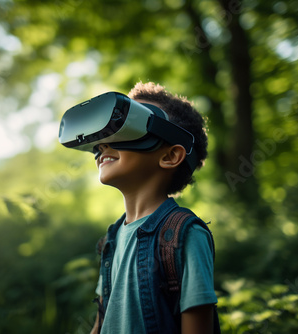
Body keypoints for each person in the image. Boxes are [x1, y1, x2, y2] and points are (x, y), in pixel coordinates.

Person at [88, 82, 218, 334]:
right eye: (104, 135)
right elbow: (100, 324)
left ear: (170, 156)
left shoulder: (185, 234)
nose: (104, 143)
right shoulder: (112, 239)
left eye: (126, 129)